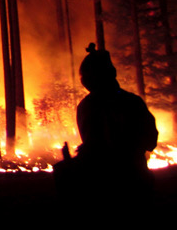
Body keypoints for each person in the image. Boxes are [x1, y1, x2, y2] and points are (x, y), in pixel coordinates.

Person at [54, 43, 158, 213]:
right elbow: (150, 141)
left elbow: (93, 144)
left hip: (110, 180)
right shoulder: (131, 102)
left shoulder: (88, 106)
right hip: (130, 178)